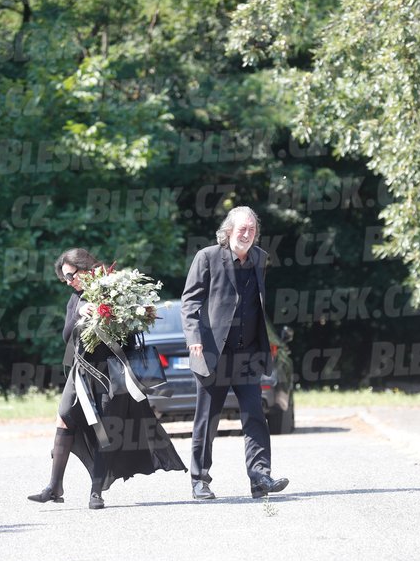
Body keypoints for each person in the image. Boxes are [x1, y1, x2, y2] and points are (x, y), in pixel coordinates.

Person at [27, 247, 186, 509]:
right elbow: (67, 336)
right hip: (81, 370)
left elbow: (130, 334)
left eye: (71, 276)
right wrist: (80, 311)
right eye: (66, 279)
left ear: (86, 268)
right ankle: (54, 486)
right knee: (65, 418)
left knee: (106, 428)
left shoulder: (115, 290)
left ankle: (96, 491)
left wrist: (114, 314)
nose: (70, 282)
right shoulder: (75, 299)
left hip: (111, 370)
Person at [181, 206, 289, 500]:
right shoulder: (207, 257)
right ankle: (199, 480)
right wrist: (194, 338)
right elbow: (190, 302)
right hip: (213, 353)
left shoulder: (259, 258)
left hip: (248, 354)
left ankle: (260, 477)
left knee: (255, 416)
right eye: (242, 229)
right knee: (207, 418)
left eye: (252, 229)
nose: (247, 234)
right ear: (227, 231)